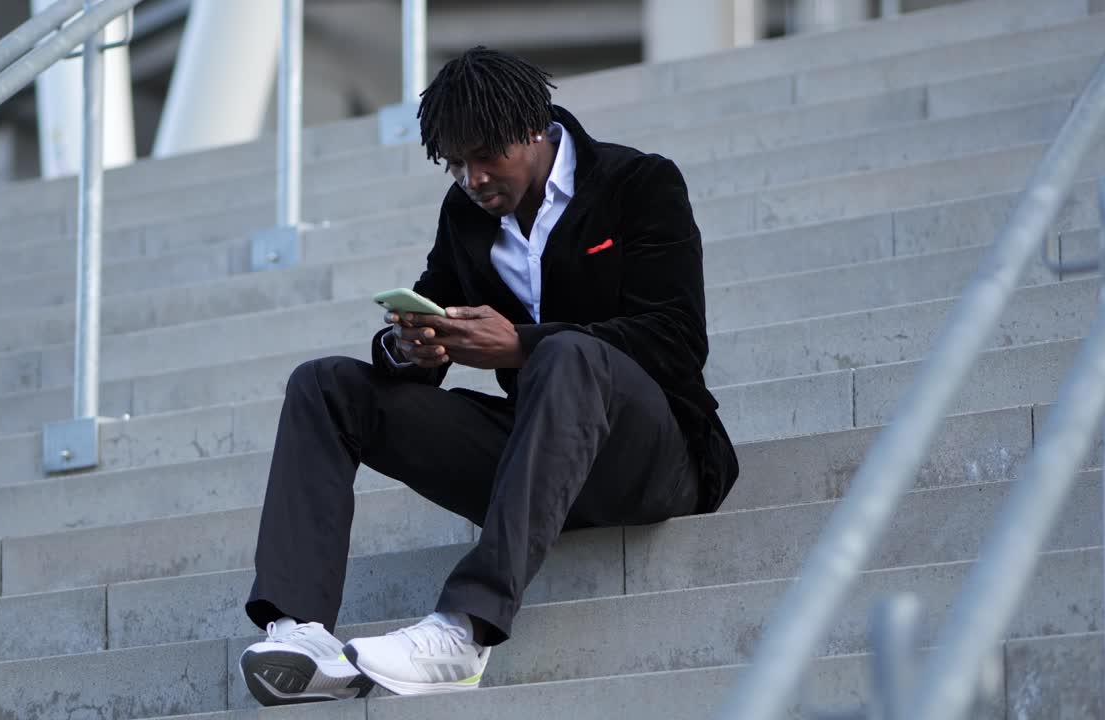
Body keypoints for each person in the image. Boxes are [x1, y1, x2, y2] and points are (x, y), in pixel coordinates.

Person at [237, 46, 738, 706]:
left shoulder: (637, 184)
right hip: (537, 462)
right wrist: (413, 348)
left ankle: (463, 631)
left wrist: (521, 345)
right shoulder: (466, 215)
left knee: (566, 356)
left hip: (651, 462)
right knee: (324, 384)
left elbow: (676, 342)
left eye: (484, 157)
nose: (471, 178)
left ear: (532, 128)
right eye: (454, 163)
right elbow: (428, 314)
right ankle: (299, 631)